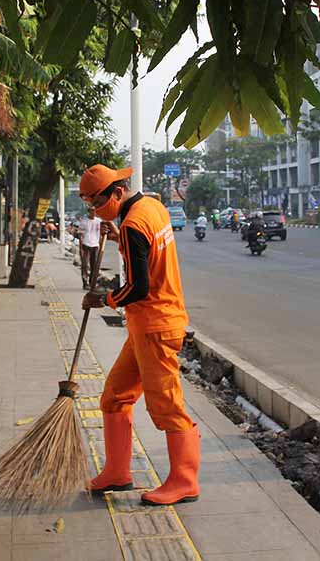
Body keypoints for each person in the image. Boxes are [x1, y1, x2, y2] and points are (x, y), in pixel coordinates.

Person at [79, 164, 199, 506]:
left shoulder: (133, 224)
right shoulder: (152, 207)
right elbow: (147, 251)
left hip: (156, 327)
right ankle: (117, 472)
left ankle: (185, 481)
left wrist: (103, 299)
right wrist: (119, 236)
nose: (94, 210)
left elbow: (137, 287)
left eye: (97, 202)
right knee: (114, 397)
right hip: (144, 327)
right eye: (89, 204)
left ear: (118, 192)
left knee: (166, 406)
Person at [78, 208, 103, 289]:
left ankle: (92, 283)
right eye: (92, 211)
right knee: (85, 265)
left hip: (95, 245)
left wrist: (101, 245)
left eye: (95, 211)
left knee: (94, 265)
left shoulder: (99, 221)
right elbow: (80, 235)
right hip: (86, 244)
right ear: (89, 212)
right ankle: (85, 283)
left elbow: (102, 234)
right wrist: (80, 248)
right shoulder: (84, 221)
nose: (93, 212)